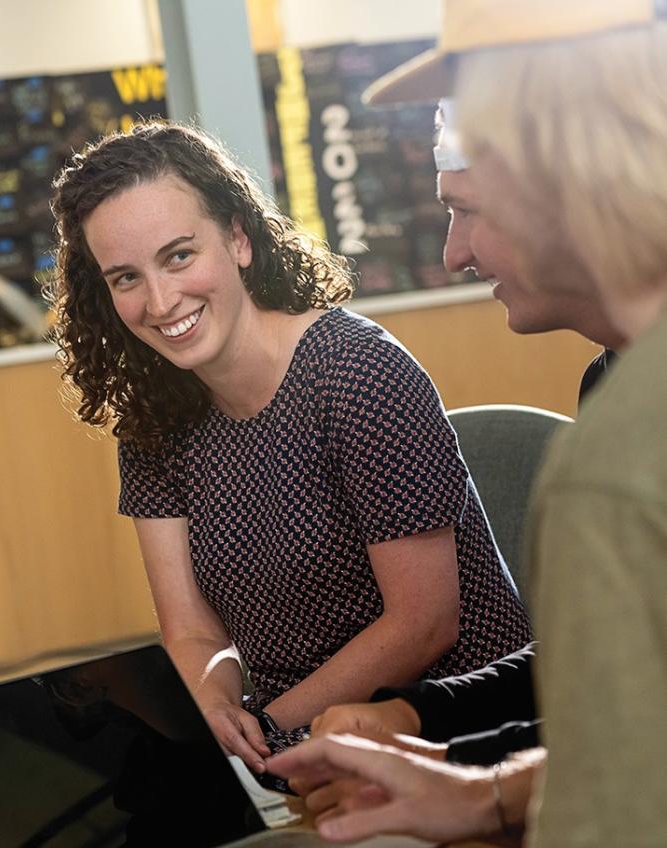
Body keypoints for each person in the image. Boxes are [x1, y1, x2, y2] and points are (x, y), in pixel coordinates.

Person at [271, 2, 667, 848]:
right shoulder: (617, 391)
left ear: (552, 169)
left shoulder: (614, 466)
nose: (451, 253)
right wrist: (477, 780)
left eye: (465, 211)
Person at [49, 120, 530, 774]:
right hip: (296, 757)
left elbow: (424, 622)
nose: (161, 301)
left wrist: (266, 735)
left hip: (456, 747)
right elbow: (192, 633)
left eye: (180, 256)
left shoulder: (357, 373)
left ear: (239, 240)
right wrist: (215, 704)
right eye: (126, 277)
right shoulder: (154, 419)